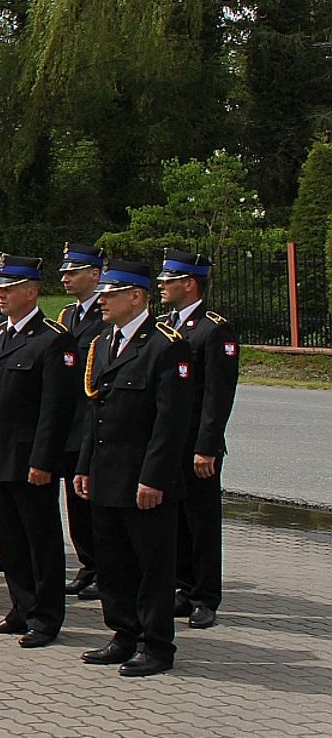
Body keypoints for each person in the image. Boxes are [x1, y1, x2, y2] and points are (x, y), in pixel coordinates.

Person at [74, 259, 195, 678]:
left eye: (110, 294)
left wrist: (153, 477)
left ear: (136, 296)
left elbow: (171, 422)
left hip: (144, 478)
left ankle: (156, 645)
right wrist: (85, 465)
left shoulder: (166, 345)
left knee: (152, 567)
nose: (102, 302)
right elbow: (95, 412)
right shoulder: (104, 342)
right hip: (107, 473)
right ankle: (123, 633)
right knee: (114, 563)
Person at [0, 253, 76, 648]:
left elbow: (56, 409)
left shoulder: (53, 339)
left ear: (31, 292)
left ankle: (45, 617)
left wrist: (44, 460)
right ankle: (21, 607)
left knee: (40, 540)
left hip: (30, 458)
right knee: (11, 539)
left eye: (9, 288)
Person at [157, 249, 238, 630]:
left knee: (201, 521)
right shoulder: (165, 326)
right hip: (170, 441)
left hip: (195, 443)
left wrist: (207, 446)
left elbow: (217, 396)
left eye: (168, 280)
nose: (161, 285)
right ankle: (183, 586)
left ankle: (205, 596)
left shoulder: (213, 329)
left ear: (189, 284)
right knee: (175, 520)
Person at [57, 242, 109, 600]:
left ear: (94, 274)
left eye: (73, 272)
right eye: (64, 272)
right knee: (75, 502)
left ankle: (107, 569)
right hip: (69, 424)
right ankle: (88, 564)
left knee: (95, 501)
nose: (66, 278)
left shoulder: (106, 316)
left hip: (92, 421)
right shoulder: (67, 316)